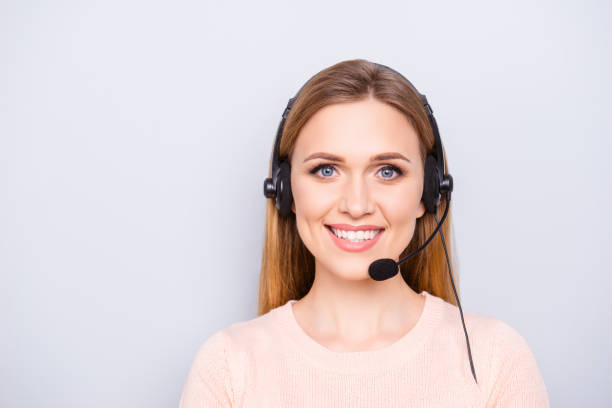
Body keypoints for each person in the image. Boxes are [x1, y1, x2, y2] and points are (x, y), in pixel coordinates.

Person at [178, 59, 550, 407]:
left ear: (430, 193)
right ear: (285, 191)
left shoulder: (495, 358)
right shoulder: (228, 365)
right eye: (326, 170)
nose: (356, 206)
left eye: (387, 171)